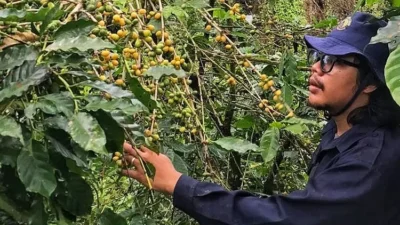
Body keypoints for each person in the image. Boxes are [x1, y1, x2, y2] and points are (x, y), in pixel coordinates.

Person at [121, 12, 400, 225]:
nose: (316, 67)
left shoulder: (370, 162)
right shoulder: (342, 126)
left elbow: (286, 218)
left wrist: (178, 185)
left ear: (371, 82)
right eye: (318, 56)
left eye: (333, 60)